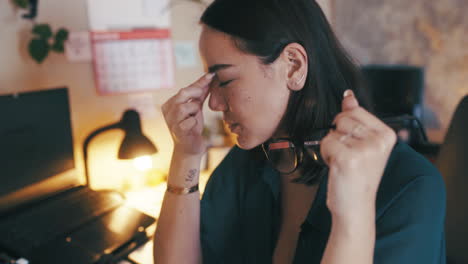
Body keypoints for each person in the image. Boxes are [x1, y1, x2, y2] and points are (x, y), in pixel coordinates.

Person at [154, 0, 446, 263]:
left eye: (225, 80)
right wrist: (186, 154)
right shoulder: (247, 164)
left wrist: (353, 210)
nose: (214, 103)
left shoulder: (410, 185)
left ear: (293, 66)